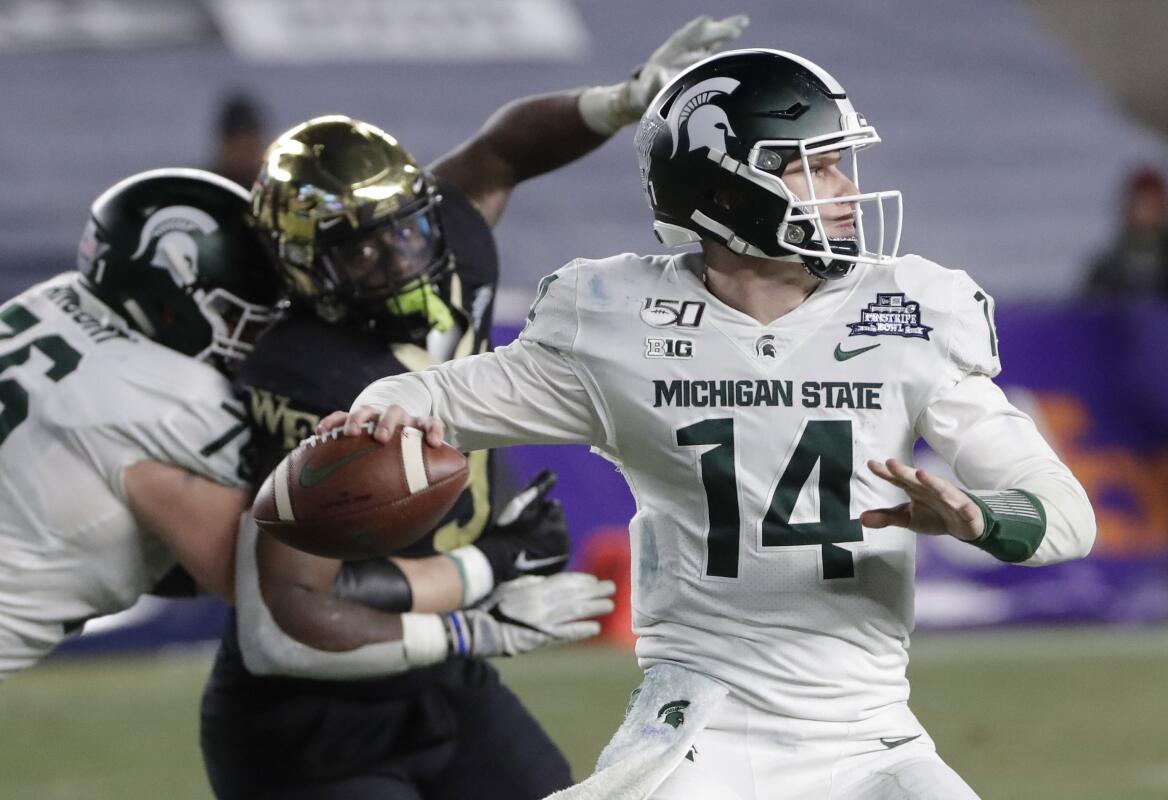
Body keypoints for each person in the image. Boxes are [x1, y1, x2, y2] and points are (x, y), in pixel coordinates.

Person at [330, 49, 1098, 800]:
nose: (843, 189)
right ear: (727, 189)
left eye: (839, 162)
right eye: (813, 166)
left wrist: (980, 518)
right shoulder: (615, 321)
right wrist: (364, 431)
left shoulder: (911, 311)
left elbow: (1065, 515)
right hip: (703, 731)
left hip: (870, 735)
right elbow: (419, 403)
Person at [199, 15, 749, 800]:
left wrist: (617, 102)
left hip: (443, 684)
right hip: (312, 721)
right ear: (304, 270)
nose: (400, 260)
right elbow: (289, 615)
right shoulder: (304, 371)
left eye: (408, 229)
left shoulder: (450, 244)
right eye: (361, 250)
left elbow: (503, 151)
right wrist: (483, 584)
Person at [0, 168, 280, 679]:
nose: (256, 338)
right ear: (170, 305)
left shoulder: (47, 302)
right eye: (240, 318)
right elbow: (274, 589)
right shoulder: (182, 403)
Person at [1083, 166, 1168, 304]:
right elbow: (1089, 310)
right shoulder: (1107, 269)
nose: (1149, 213)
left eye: (1155, 205)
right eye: (1143, 204)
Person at [208, 92, 270, 190]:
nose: (244, 155)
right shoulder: (208, 185)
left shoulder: (268, 186)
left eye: (249, 148)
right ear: (226, 144)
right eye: (241, 147)